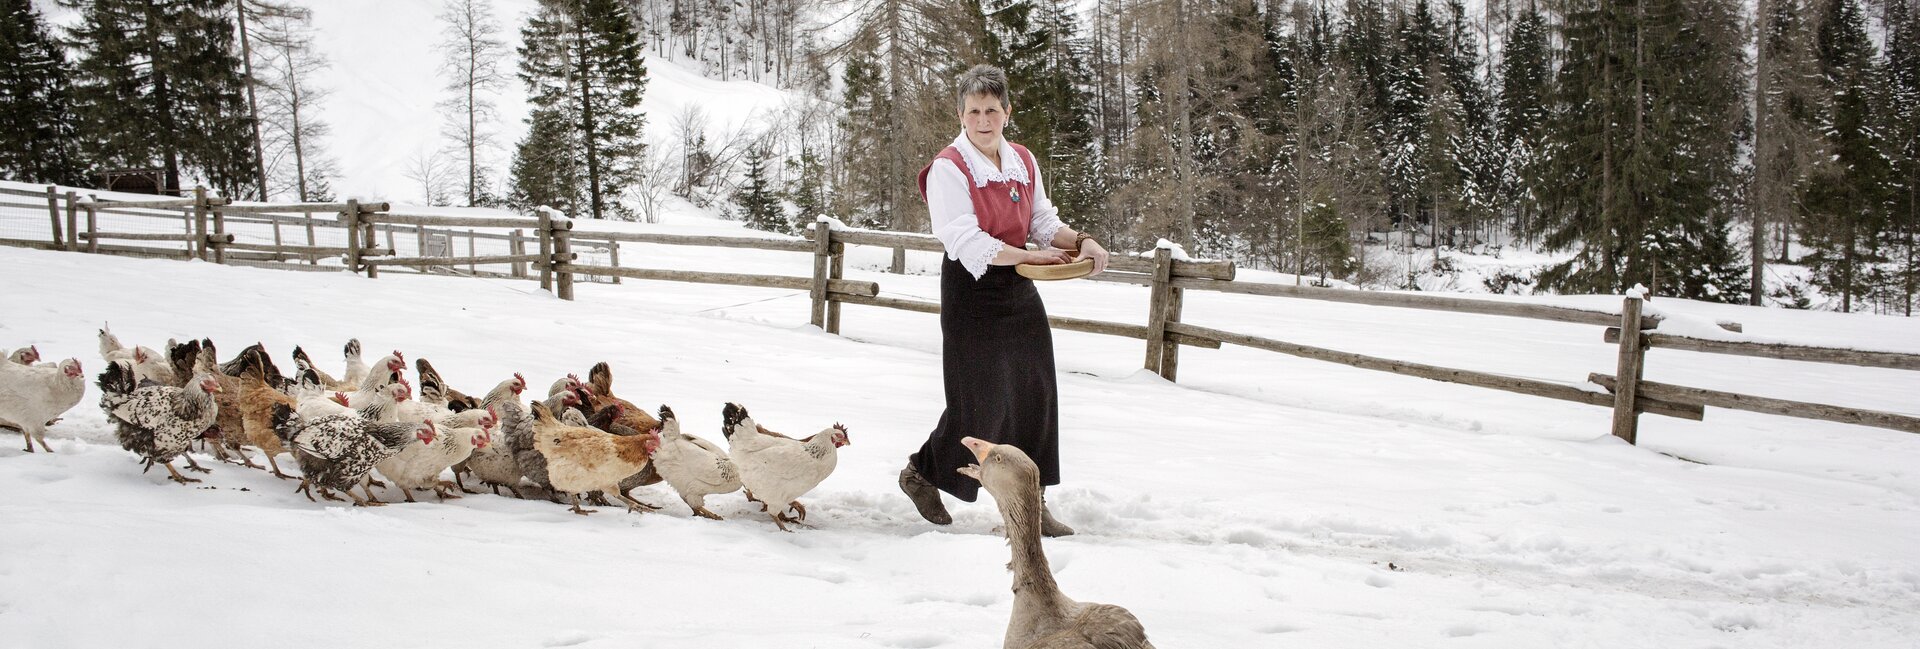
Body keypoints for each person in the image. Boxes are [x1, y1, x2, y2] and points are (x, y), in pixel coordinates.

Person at [898, 64, 1109, 537]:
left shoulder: (1022, 160)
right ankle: (921, 473)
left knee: (1036, 395)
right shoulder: (948, 169)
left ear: (1007, 112)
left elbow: (1041, 220)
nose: (983, 119)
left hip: (1018, 285)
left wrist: (1082, 241)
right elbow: (964, 238)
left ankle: (1030, 502)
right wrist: (1031, 254)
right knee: (980, 403)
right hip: (971, 289)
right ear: (961, 114)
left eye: (992, 109)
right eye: (974, 110)